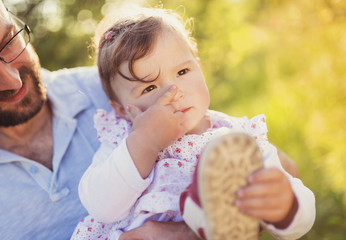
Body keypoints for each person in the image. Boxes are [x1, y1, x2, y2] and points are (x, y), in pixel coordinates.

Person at [70, 6, 315, 240]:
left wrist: (286, 206)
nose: (174, 91)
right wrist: (144, 141)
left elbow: (299, 213)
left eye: (182, 72)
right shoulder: (122, 142)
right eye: (150, 87)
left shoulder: (235, 137)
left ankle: (207, 214)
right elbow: (101, 206)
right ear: (123, 110)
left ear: (198, 66)